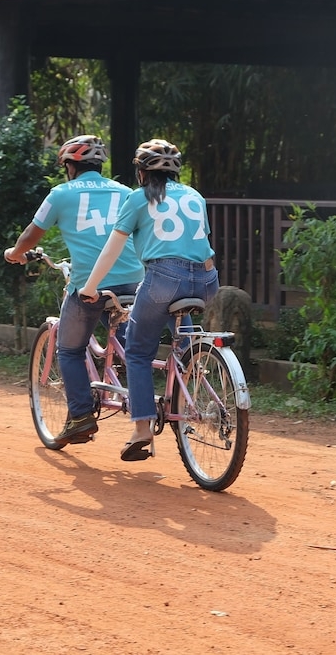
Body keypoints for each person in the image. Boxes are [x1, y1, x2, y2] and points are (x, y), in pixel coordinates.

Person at [79, 139, 219, 462]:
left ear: (141, 173)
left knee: (138, 351)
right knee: (177, 325)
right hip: (208, 280)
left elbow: (113, 248)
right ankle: (189, 365)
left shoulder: (138, 198)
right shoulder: (195, 196)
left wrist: (90, 286)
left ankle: (142, 429)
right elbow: (198, 246)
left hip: (163, 279)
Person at [4, 135, 144, 445]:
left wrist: (15, 253)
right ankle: (133, 389)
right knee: (130, 344)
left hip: (90, 284)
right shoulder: (125, 192)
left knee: (69, 349)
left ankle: (80, 417)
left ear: (70, 166)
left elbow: (31, 234)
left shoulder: (61, 193)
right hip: (134, 280)